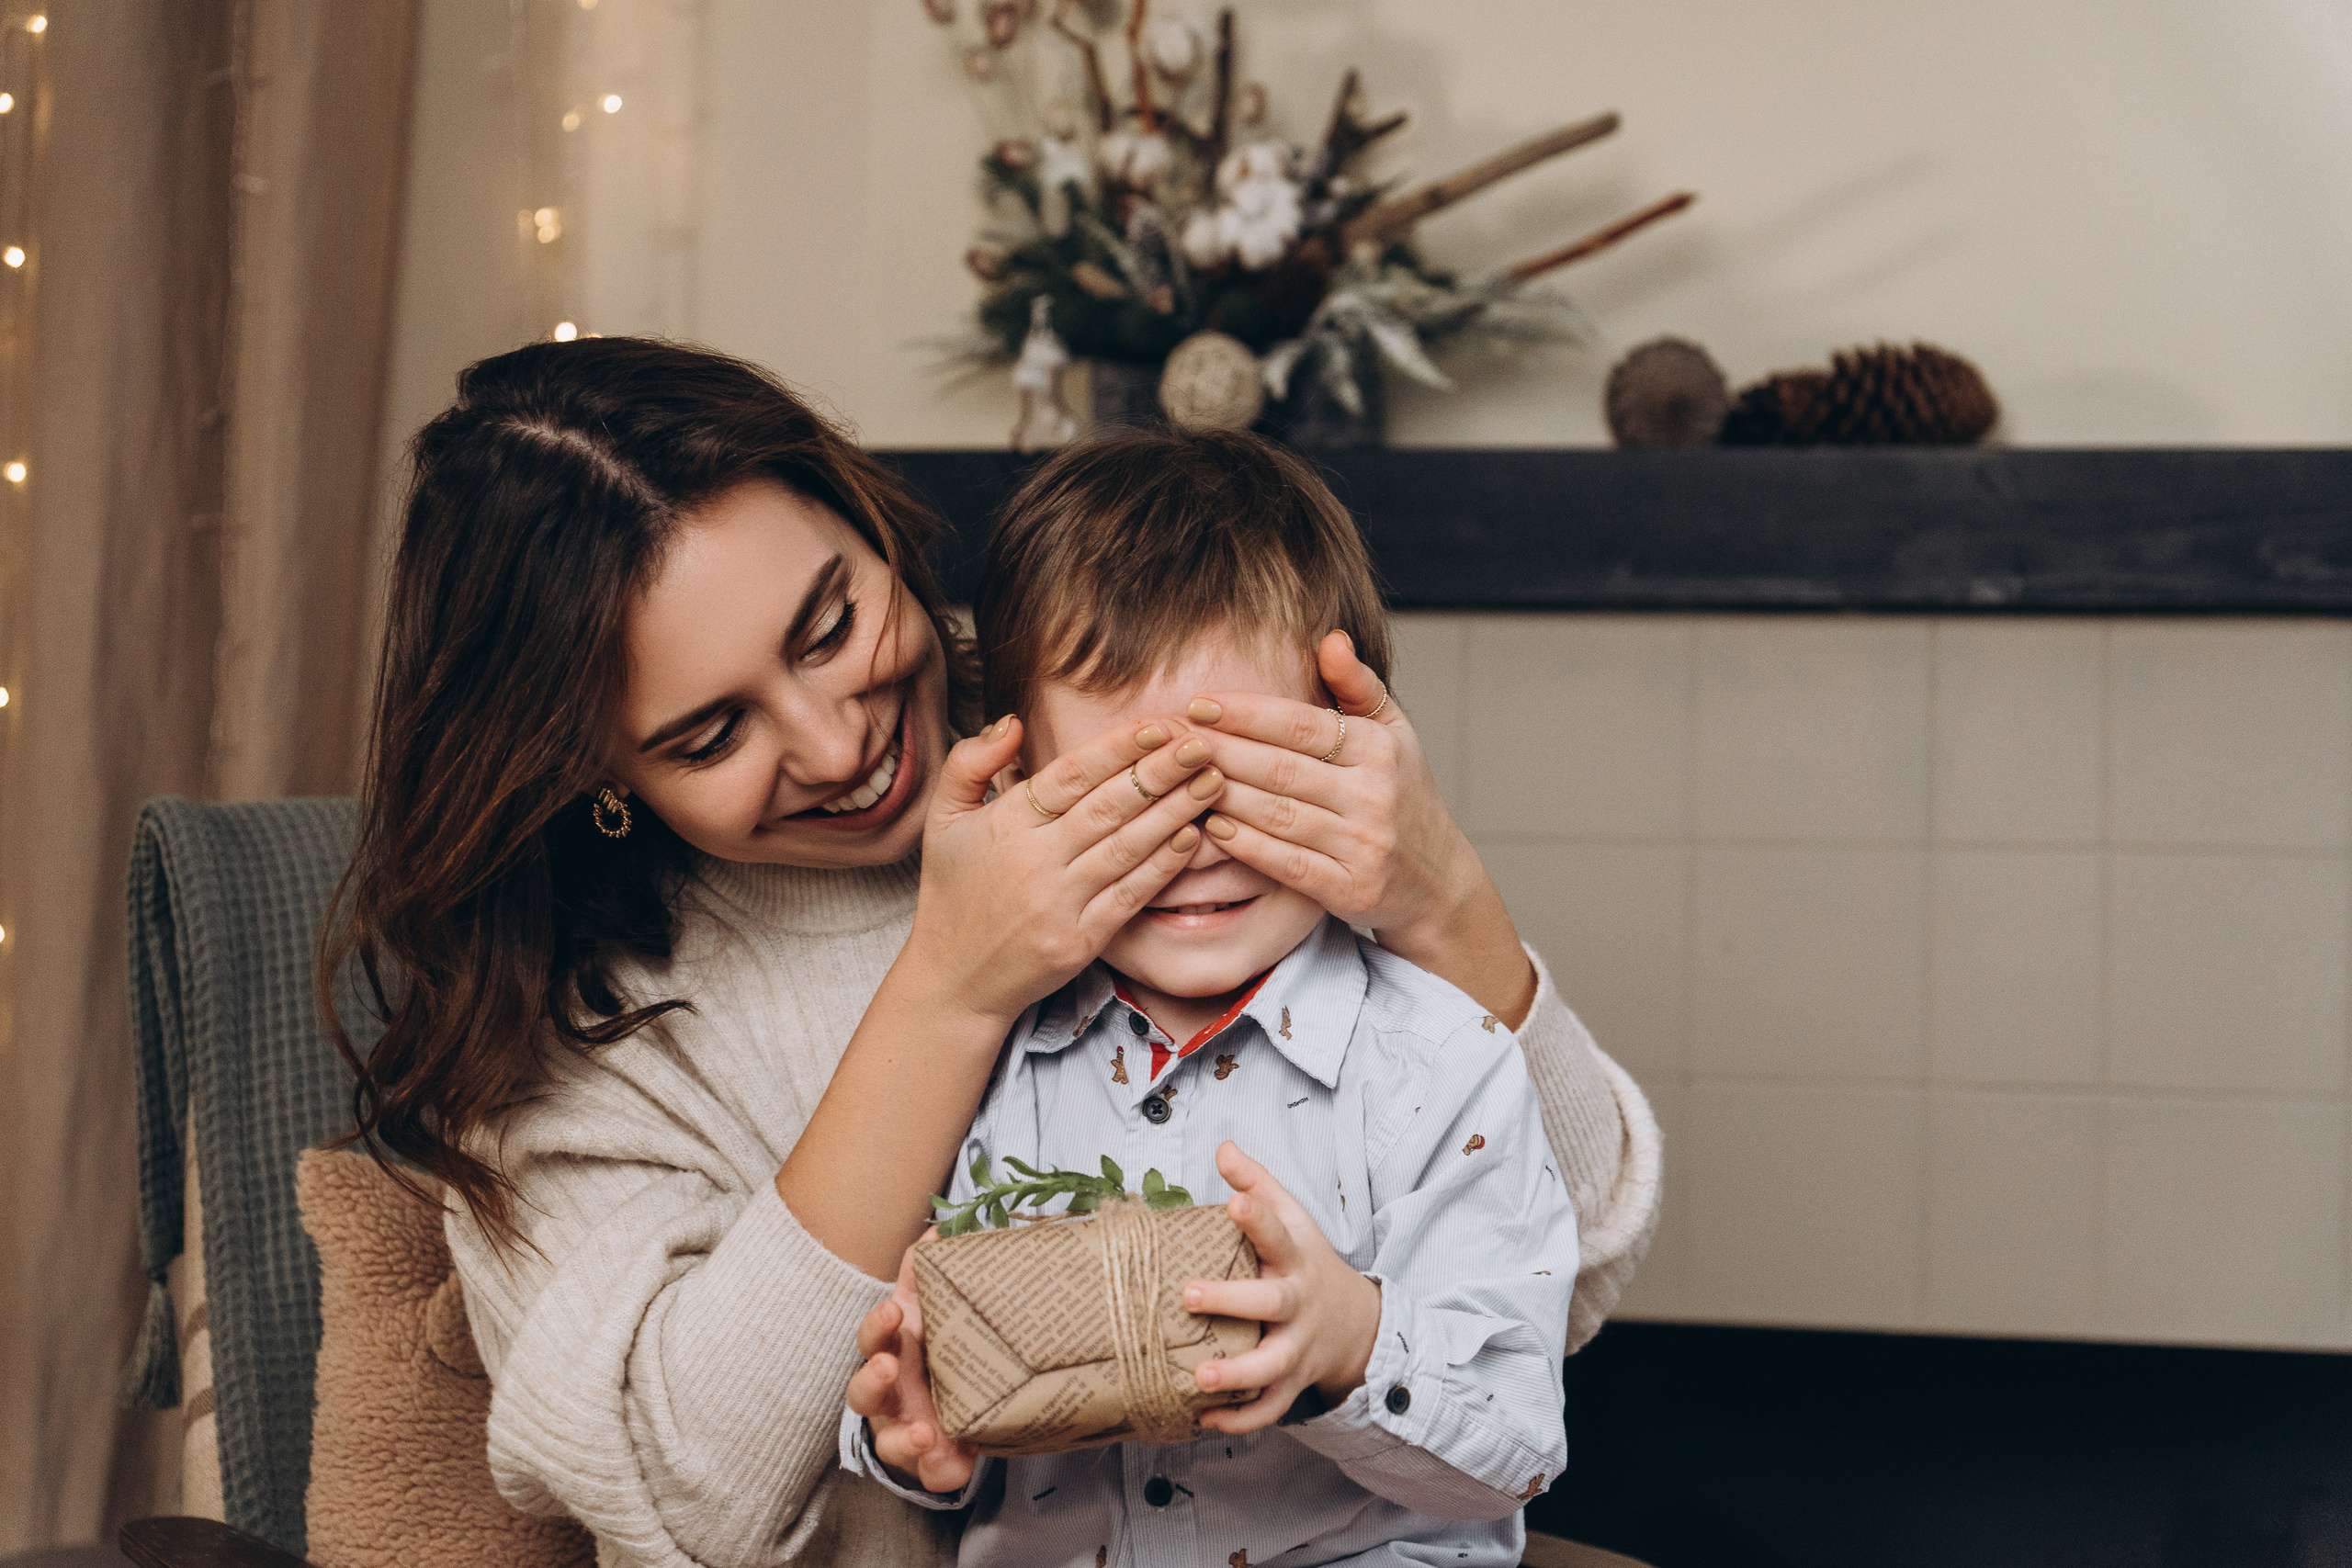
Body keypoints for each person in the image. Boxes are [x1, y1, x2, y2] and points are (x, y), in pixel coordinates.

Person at [322, 336, 1659, 1568]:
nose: (838, 745)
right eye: (707, 735)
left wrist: (1446, 902)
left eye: (832, 624)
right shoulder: (581, 1029)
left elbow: (1573, 1275)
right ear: (591, 769)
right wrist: (950, 989)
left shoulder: (1114, 714)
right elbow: (700, 1500)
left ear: (866, 518)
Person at [842, 429, 1577, 1568]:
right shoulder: (979, 1067)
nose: (1188, 848)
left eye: (1247, 784)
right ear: (1022, 785)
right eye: (1127, 796)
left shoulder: (1441, 1063)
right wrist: (910, 1444)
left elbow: (1518, 1443)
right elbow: (923, 1359)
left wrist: (1352, 1344)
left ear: (1351, 765)